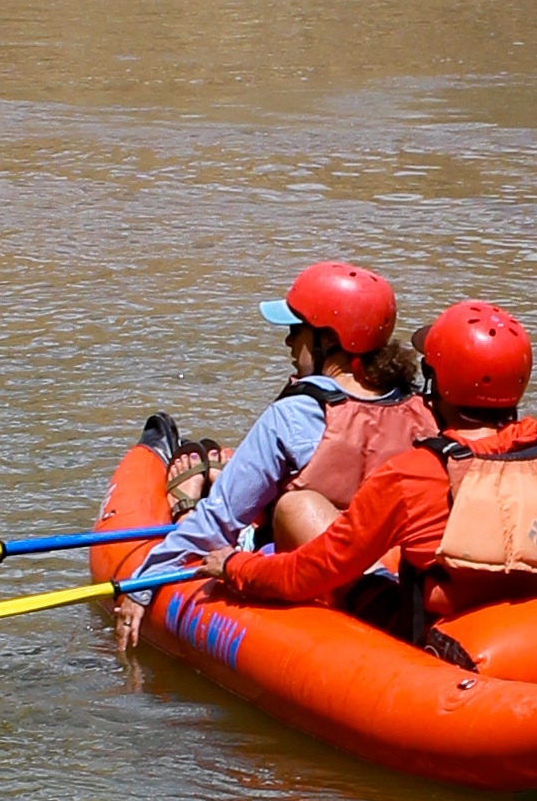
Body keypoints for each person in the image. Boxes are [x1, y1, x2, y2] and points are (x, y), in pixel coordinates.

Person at [207, 298, 537, 642]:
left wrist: (234, 567)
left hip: (431, 633)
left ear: (436, 381)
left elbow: (310, 573)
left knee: (341, 553)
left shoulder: (414, 473)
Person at [117, 261, 430, 647]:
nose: (287, 343)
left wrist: (140, 584)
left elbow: (220, 520)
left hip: (312, 574)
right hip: (382, 570)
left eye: (295, 331)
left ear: (327, 339)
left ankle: (186, 505)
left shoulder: (295, 413)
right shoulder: (424, 410)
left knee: (278, 509)